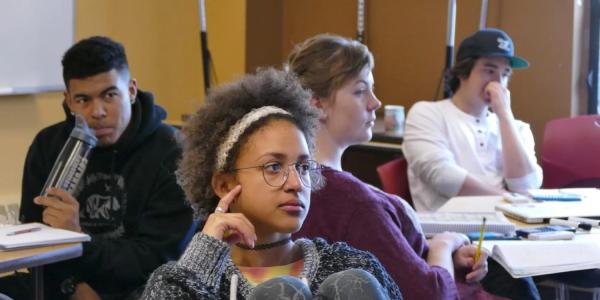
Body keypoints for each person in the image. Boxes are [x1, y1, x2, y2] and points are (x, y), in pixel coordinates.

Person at [287, 33, 540, 300]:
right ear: (317, 104)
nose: (376, 103)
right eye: (361, 91)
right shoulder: (354, 201)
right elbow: (430, 294)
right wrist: (444, 244)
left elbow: (386, 254)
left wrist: (442, 251)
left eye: (505, 73)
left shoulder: (302, 184)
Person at [142, 68, 403, 299]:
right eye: (274, 167)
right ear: (223, 185)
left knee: (353, 284)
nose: (296, 183)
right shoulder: (196, 280)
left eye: (302, 167)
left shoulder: (349, 265)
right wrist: (204, 254)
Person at [10, 36, 193, 300]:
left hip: (145, 288)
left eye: (109, 95)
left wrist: (78, 238)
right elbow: (34, 240)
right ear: (69, 101)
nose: (98, 112)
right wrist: (73, 287)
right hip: (65, 285)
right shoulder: (48, 146)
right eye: (83, 99)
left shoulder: (173, 151)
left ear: (130, 90)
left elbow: (158, 257)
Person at [403, 28, 543, 212]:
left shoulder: (518, 128)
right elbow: (444, 177)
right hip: (448, 232)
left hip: (511, 229)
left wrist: (504, 115)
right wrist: (509, 201)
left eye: (506, 74)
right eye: (489, 70)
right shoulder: (426, 114)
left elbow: (527, 186)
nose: (498, 82)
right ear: (463, 73)